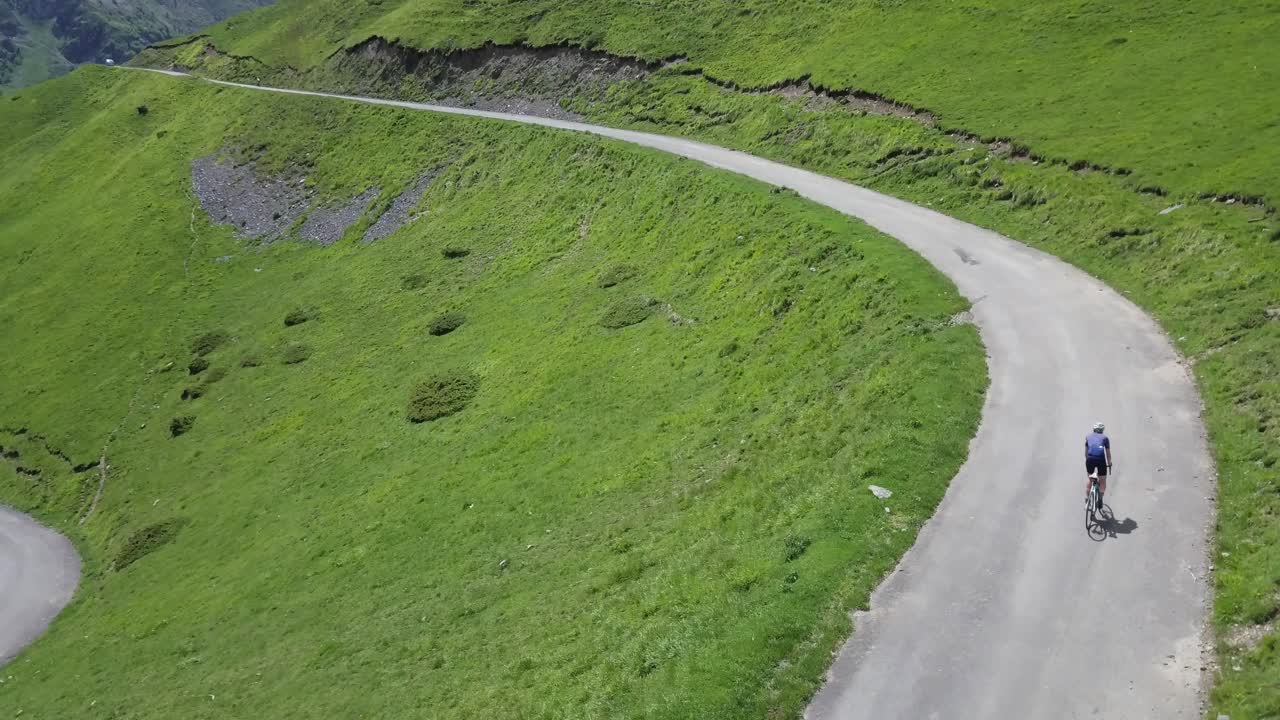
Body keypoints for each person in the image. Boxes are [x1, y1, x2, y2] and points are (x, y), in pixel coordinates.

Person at [1085, 422, 1112, 509]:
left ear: (1094, 429)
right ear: (1102, 431)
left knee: (1090, 477)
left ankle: (1087, 498)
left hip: (1090, 459)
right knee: (1102, 480)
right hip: (1101, 460)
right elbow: (1107, 452)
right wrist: (1109, 462)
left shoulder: (1088, 437)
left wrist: (1088, 460)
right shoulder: (1105, 438)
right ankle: (1100, 497)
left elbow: (1086, 452)